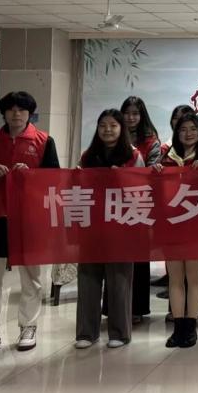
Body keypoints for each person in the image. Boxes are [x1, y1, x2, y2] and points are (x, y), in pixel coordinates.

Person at [0, 91, 60, 355]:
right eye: (11, 110)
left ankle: (28, 326)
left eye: (22, 110)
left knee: (31, 276)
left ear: (30, 114)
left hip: (28, 217)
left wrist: (32, 176)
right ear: (4, 113)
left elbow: (54, 180)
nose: (16, 114)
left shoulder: (44, 141)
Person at [75, 109, 143, 350]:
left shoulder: (133, 156)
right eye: (103, 125)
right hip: (92, 225)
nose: (107, 130)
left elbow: (141, 190)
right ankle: (86, 333)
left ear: (121, 129)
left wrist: (122, 179)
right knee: (88, 279)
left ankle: (120, 333)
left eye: (113, 125)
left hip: (121, 225)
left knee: (119, 281)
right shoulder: (87, 156)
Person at [154, 112, 198, 348]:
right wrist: (156, 174)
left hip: (197, 227)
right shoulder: (166, 159)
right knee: (175, 279)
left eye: (193, 129)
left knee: (194, 278)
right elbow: (156, 193)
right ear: (176, 133)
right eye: (183, 129)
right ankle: (178, 327)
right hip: (171, 226)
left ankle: (191, 327)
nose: (188, 133)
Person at [120, 96, 161, 324]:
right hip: (115, 205)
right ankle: (115, 308)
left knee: (138, 259)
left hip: (140, 204)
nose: (130, 117)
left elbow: (153, 172)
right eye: (127, 113)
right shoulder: (114, 135)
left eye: (135, 113)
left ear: (142, 115)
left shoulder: (151, 141)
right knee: (117, 257)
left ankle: (136, 308)